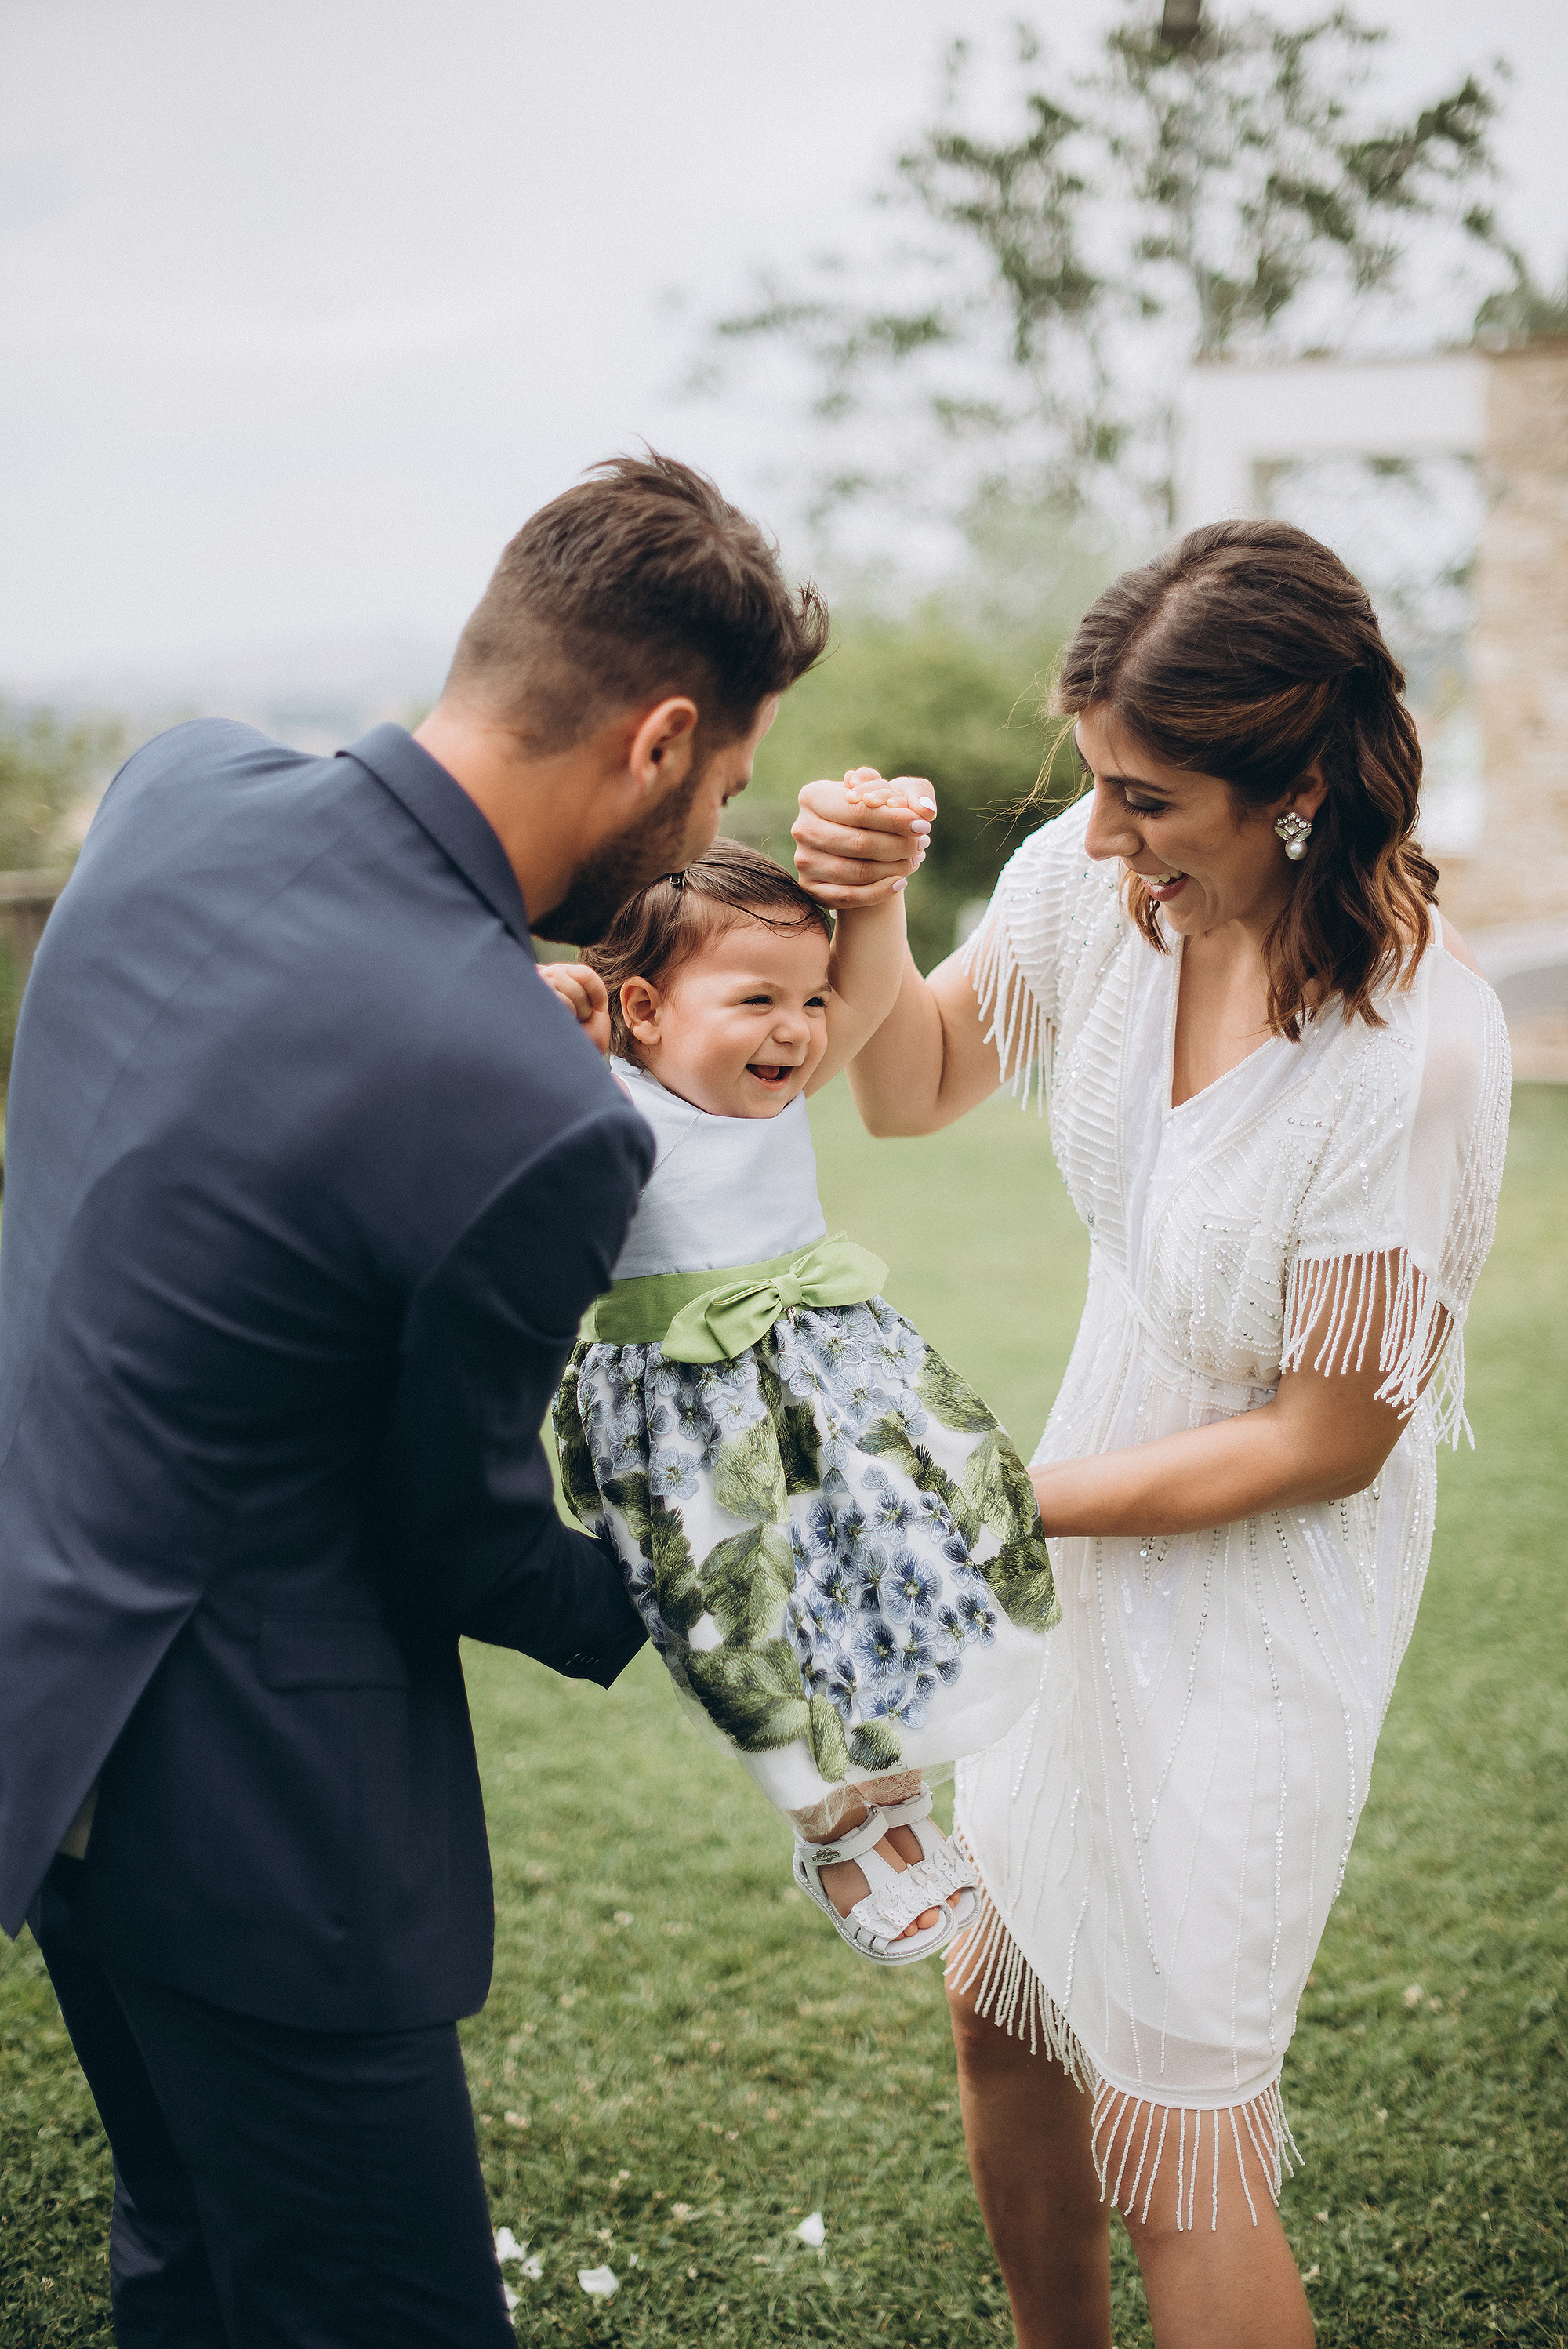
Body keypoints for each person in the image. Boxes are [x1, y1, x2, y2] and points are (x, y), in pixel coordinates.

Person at [0, 455, 851, 2346]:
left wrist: (482, 990)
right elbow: (454, 1530)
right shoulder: (533, 1117)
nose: (720, 813)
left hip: (51, 1713)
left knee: (191, 2254)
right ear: (656, 740)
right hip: (262, 1825)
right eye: (722, 785)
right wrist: (710, 1588)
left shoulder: (174, 785)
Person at [791, 520, 1512, 2349]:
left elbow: (1325, 1441)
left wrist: (991, 1503)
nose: (1104, 833)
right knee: (1006, 2000)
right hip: (1086, 1525)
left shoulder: (1410, 1051)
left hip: (1258, 1591)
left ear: (1301, 787)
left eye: (1149, 798)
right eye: (1094, 783)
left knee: (1181, 2147)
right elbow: (911, 1084)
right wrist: (868, 903)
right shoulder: (1095, 888)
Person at [540, 829, 1059, 1966]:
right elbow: (499, 1087)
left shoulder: (782, 1086)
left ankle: (898, 1804)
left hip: (830, 1372)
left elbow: (873, 988)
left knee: (891, 1565)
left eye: (808, 998)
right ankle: (830, 1830)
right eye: (759, 997)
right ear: (642, 1014)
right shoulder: (604, 1106)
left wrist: (875, 891)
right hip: (689, 1414)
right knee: (755, 1618)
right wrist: (545, 1025)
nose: (798, 1026)